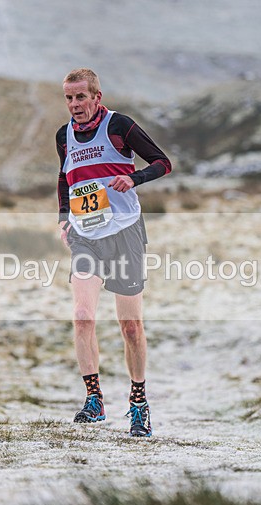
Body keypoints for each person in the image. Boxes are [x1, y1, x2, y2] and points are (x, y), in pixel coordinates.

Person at [55, 68, 172, 437]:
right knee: (83, 316)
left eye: (80, 97)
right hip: (86, 236)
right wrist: (64, 219)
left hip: (125, 233)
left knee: (131, 327)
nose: (74, 105)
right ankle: (94, 399)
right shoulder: (64, 136)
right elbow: (64, 177)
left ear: (96, 97)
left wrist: (133, 178)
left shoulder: (120, 126)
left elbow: (162, 163)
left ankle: (138, 403)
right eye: (69, 98)